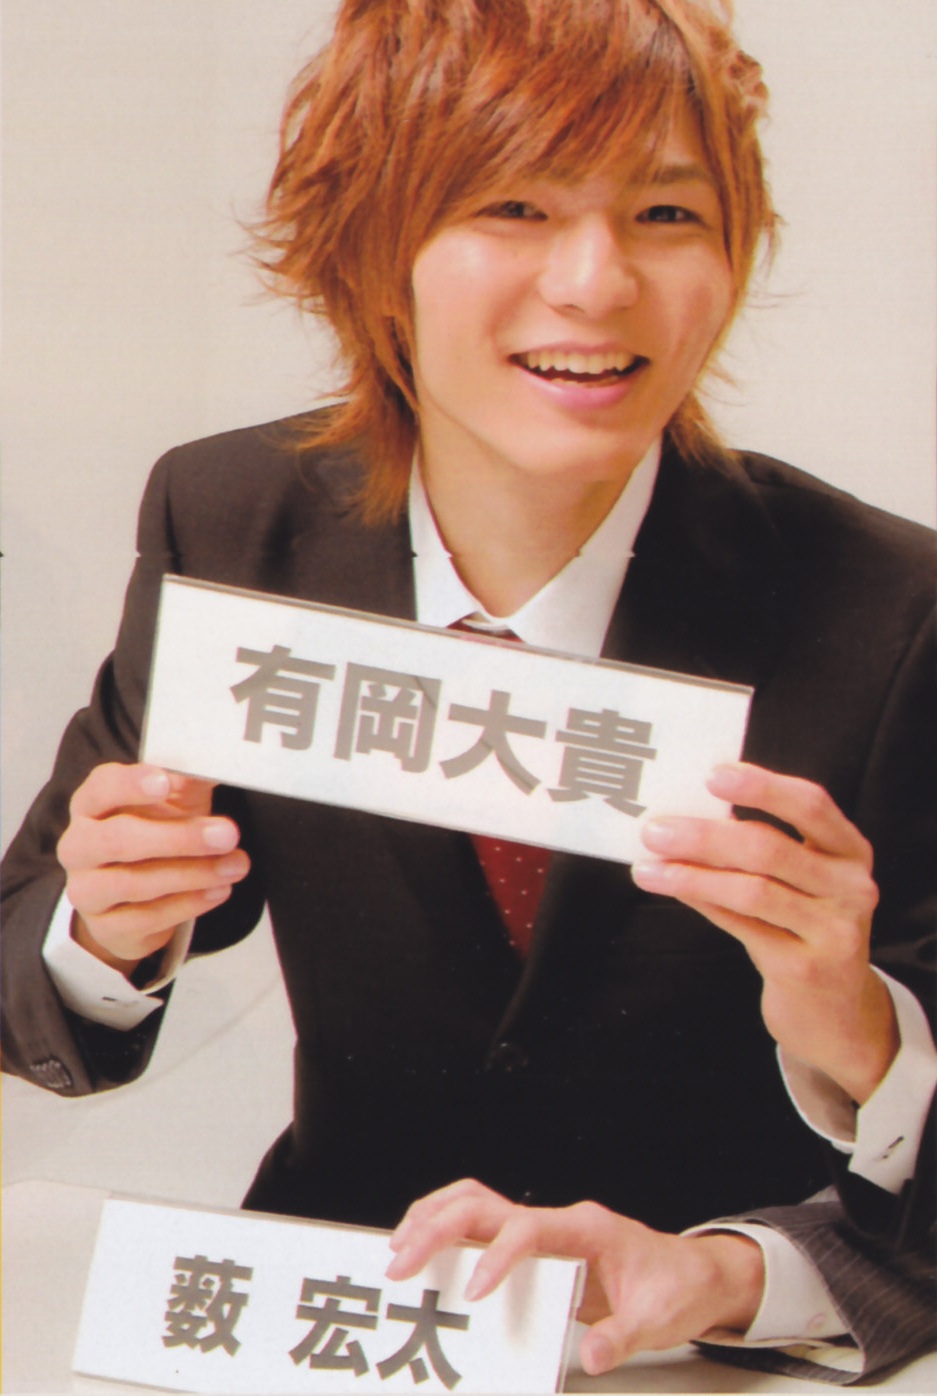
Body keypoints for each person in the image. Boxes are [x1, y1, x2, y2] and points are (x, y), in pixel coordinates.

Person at [3, 0, 935, 1383]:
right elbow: (25, 962)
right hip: (345, 1322)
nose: (595, 283)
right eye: (514, 206)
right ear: (371, 249)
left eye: (665, 214)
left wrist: (845, 1044)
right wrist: (109, 926)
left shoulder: (890, 606)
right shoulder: (234, 521)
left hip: (706, 1356)